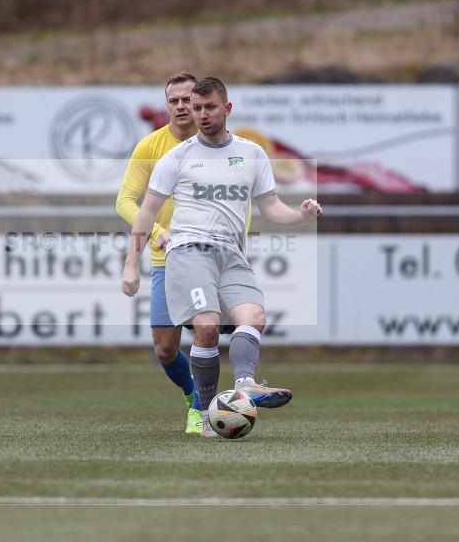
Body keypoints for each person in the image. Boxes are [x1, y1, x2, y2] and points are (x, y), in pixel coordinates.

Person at [121, 77, 322, 438]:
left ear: (227, 108)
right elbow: (145, 213)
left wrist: (301, 216)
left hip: (231, 253)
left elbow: (271, 208)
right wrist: (131, 266)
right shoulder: (175, 157)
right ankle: (206, 412)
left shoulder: (252, 154)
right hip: (189, 251)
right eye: (196, 108)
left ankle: (245, 385)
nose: (201, 114)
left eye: (209, 107)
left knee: (254, 317)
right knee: (207, 326)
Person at [116, 72, 204, 434]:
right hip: (166, 259)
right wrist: (156, 233)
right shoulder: (151, 147)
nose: (181, 106)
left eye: (188, 99)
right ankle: (192, 391)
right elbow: (124, 201)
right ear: (166, 105)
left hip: (209, 256)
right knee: (165, 349)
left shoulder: (218, 144)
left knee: (206, 333)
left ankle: (201, 410)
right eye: (174, 100)